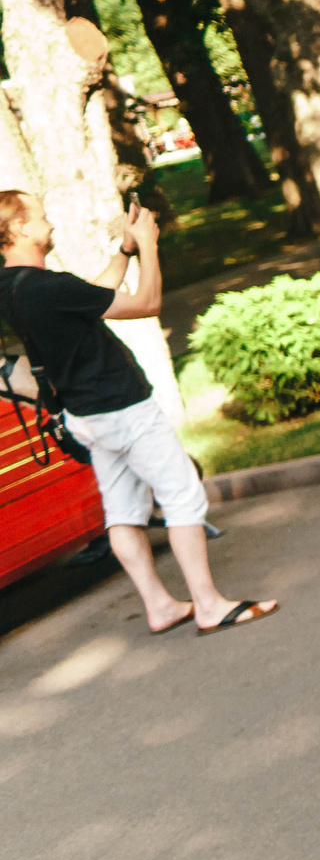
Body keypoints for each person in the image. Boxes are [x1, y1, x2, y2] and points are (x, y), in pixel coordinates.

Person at [0, 193, 277, 635]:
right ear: (19, 228)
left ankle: (160, 606)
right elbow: (146, 303)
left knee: (123, 512)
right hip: (123, 408)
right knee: (182, 498)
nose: (50, 223)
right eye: (41, 216)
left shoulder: (14, 288)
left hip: (87, 417)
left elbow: (90, 299)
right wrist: (148, 243)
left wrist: (125, 251)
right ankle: (209, 605)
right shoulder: (50, 288)